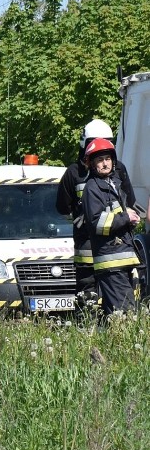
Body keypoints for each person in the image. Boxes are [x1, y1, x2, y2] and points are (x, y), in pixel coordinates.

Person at [56, 119, 139, 307]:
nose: (102, 158)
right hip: (89, 248)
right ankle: (89, 333)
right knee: (88, 299)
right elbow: (62, 206)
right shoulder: (73, 173)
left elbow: (129, 202)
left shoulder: (117, 170)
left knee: (117, 301)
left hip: (114, 247)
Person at [81, 138, 140, 315]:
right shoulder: (92, 188)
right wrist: (125, 217)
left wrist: (129, 214)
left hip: (123, 258)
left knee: (118, 313)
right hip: (111, 261)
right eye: (100, 160)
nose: (105, 163)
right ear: (92, 165)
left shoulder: (113, 184)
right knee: (126, 313)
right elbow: (97, 223)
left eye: (107, 159)